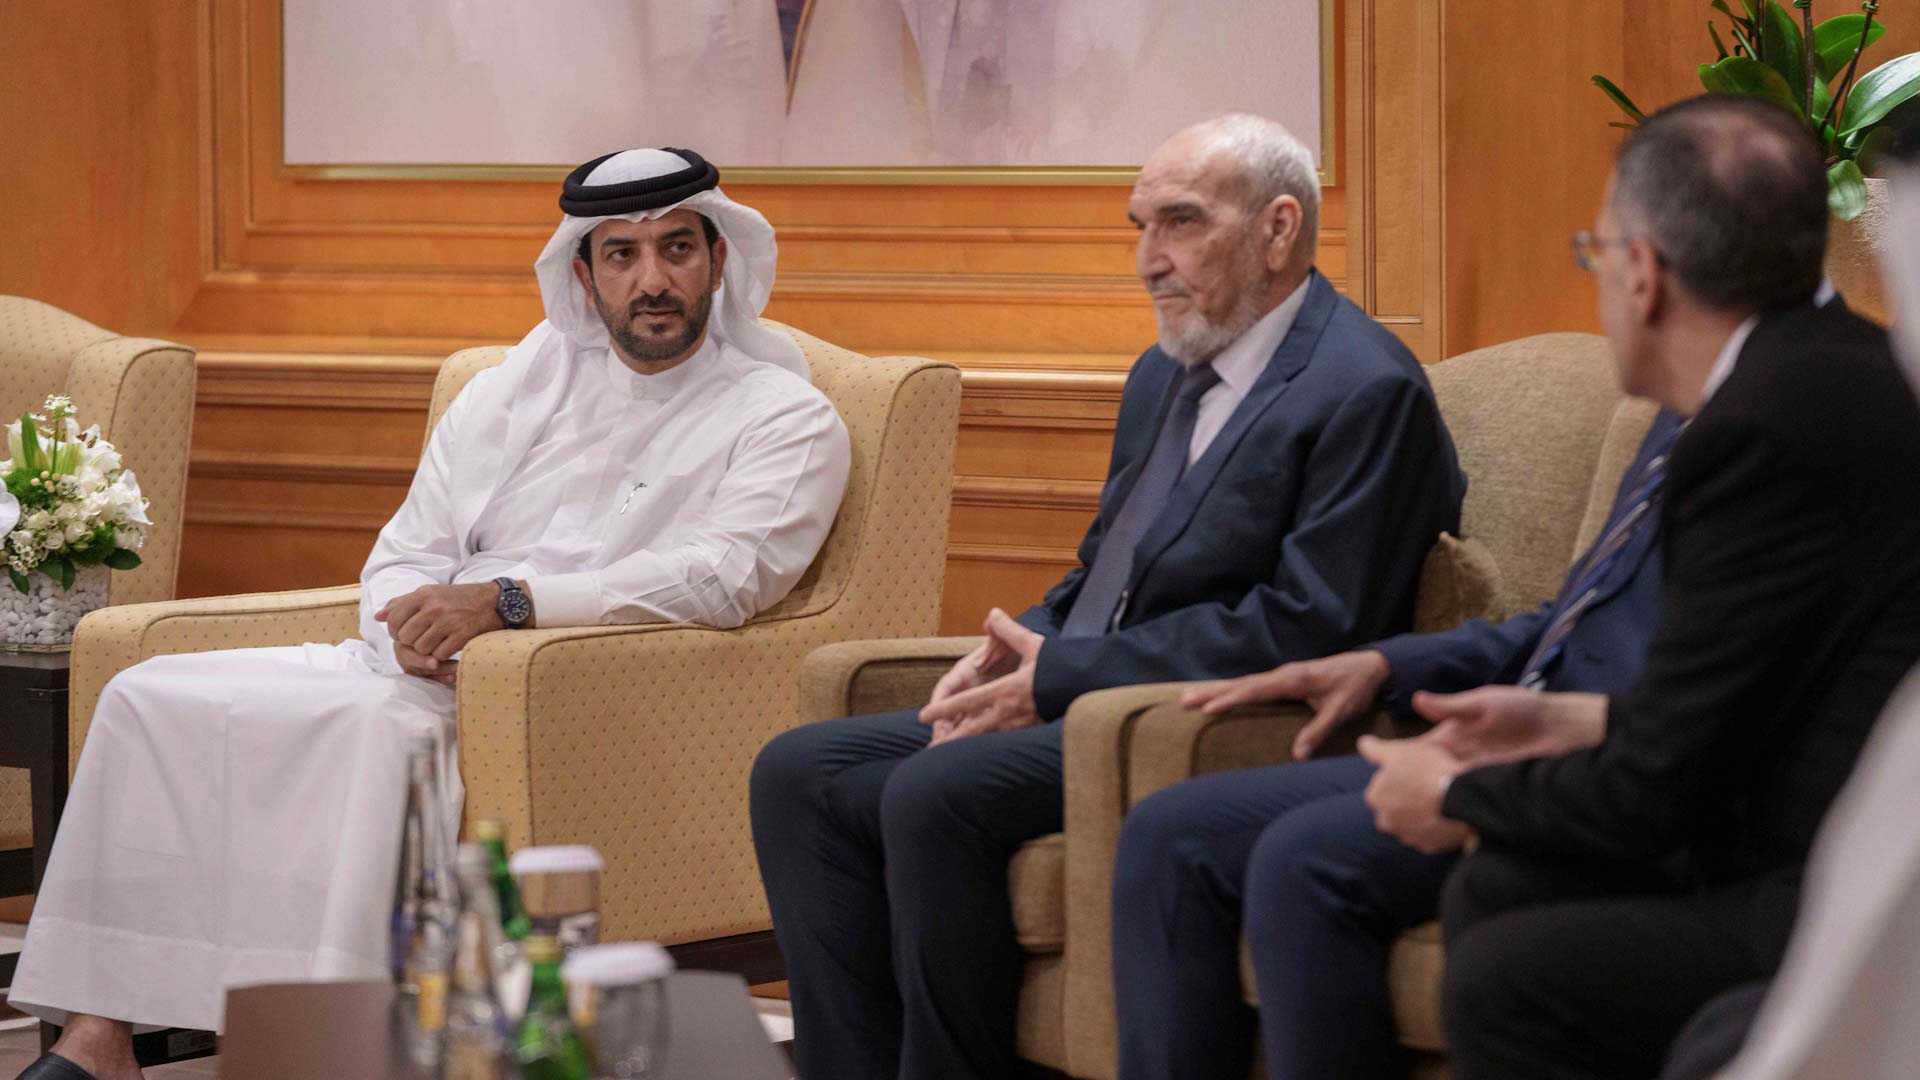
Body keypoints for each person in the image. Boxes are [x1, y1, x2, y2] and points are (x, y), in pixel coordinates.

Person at [7, 147, 851, 1080]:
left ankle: (328, 1054)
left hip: (568, 691)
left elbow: (726, 577)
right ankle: (100, 1037)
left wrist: (507, 608)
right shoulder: (509, 392)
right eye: (622, 253)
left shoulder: (784, 415)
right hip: (420, 669)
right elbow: (406, 552)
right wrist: (404, 633)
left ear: (720, 260)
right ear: (583, 274)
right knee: (148, 692)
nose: (652, 280)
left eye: (677, 249)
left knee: (376, 735)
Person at [750, 113, 1466, 1080]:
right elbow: (1107, 570)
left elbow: (1310, 626)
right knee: (798, 772)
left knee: (932, 793)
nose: (1148, 260)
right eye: (1140, 227)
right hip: (1090, 686)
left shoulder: (1364, 389)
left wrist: (1061, 676)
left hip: (1194, 715)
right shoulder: (1165, 370)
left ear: (1278, 228)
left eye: (1180, 223)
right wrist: (1015, 647)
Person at [1354, 96, 1920, 1080]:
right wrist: (1569, 721)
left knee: (1507, 978)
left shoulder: (1761, 429)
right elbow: (1755, 699)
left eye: (1597, 252)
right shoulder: (1829, 373)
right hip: (1808, 815)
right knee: (1507, 886)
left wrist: (1455, 791)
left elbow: (1662, 790)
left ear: (1645, 273)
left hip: (1826, 880)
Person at [1110, 342, 1682, 1074]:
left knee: (1303, 858)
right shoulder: (1678, 417)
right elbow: (1572, 618)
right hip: (1518, 729)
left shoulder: (1766, 427)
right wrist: (1384, 664)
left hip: (1611, 767)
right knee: (1167, 832)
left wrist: (1553, 736)